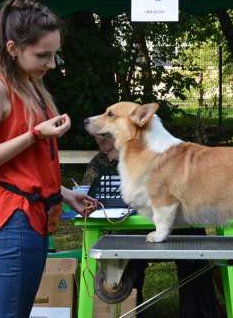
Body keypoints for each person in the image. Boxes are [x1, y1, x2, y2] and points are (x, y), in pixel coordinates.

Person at [0, 0, 98, 318]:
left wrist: (66, 194)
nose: (51, 64)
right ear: (12, 48)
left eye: (54, 54)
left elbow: (29, 165)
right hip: (15, 222)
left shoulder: (31, 83)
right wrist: (34, 134)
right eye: (42, 55)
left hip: (37, 217)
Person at [84, 132, 222, 318]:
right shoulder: (99, 162)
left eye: (107, 138)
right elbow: (89, 193)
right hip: (129, 232)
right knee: (119, 252)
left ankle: (198, 312)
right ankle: (128, 309)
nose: (101, 142)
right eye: (97, 138)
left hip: (172, 230)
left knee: (195, 242)